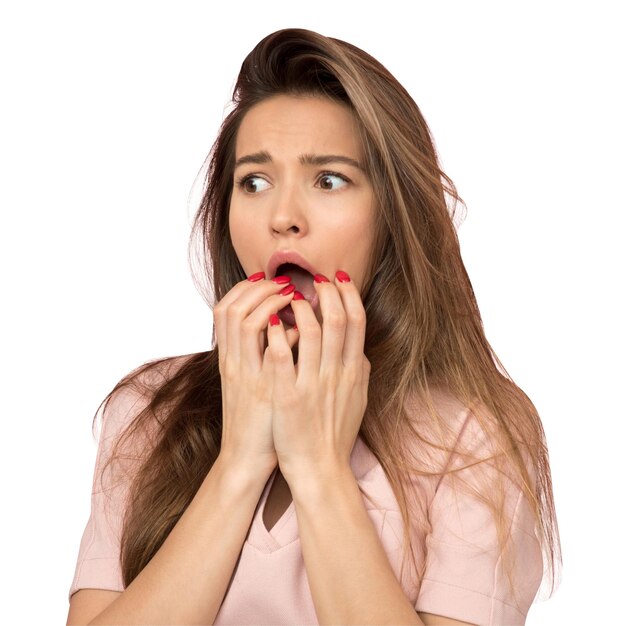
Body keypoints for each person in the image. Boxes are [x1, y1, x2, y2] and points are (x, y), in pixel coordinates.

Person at [66, 27, 561, 625]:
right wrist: (241, 461)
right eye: (254, 181)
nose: (283, 218)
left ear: (393, 216)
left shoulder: (471, 442)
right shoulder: (148, 412)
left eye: (329, 180)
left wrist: (319, 468)